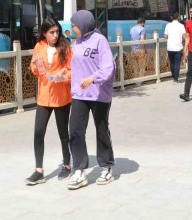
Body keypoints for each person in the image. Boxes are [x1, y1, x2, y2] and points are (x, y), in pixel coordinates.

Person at [67, 10, 116, 190]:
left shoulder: (99, 41)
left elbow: (108, 66)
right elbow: (77, 67)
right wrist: (64, 75)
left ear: (84, 24)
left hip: (99, 94)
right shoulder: (77, 43)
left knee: (101, 130)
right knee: (75, 131)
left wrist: (92, 78)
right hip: (80, 94)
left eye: (74, 25)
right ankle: (79, 170)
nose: (72, 28)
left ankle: (107, 166)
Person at [25, 18, 73, 185]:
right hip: (44, 96)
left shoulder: (65, 47)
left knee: (63, 133)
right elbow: (33, 67)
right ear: (44, 33)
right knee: (38, 132)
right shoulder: (40, 46)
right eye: (52, 32)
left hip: (61, 95)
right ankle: (39, 170)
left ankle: (67, 165)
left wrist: (64, 76)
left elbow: (71, 68)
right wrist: (36, 67)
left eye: (57, 32)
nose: (55, 35)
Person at [164, 13, 186, 83]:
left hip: (170, 47)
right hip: (178, 47)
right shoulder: (181, 26)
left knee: (172, 63)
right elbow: (184, 37)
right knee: (177, 63)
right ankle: (176, 79)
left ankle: (173, 76)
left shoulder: (168, 25)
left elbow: (165, 36)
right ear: (178, 17)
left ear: (171, 17)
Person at [128, 18, 147, 83]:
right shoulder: (142, 29)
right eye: (144, 23)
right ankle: (140, 81)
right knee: (142, 66)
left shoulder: (132, 29)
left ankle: (136, 80)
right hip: (139, 50)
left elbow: (131, 39)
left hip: (133, 50)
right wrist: (143, 50)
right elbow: (142, 40)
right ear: (142, 22)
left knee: (135, 66)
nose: (144, 25)